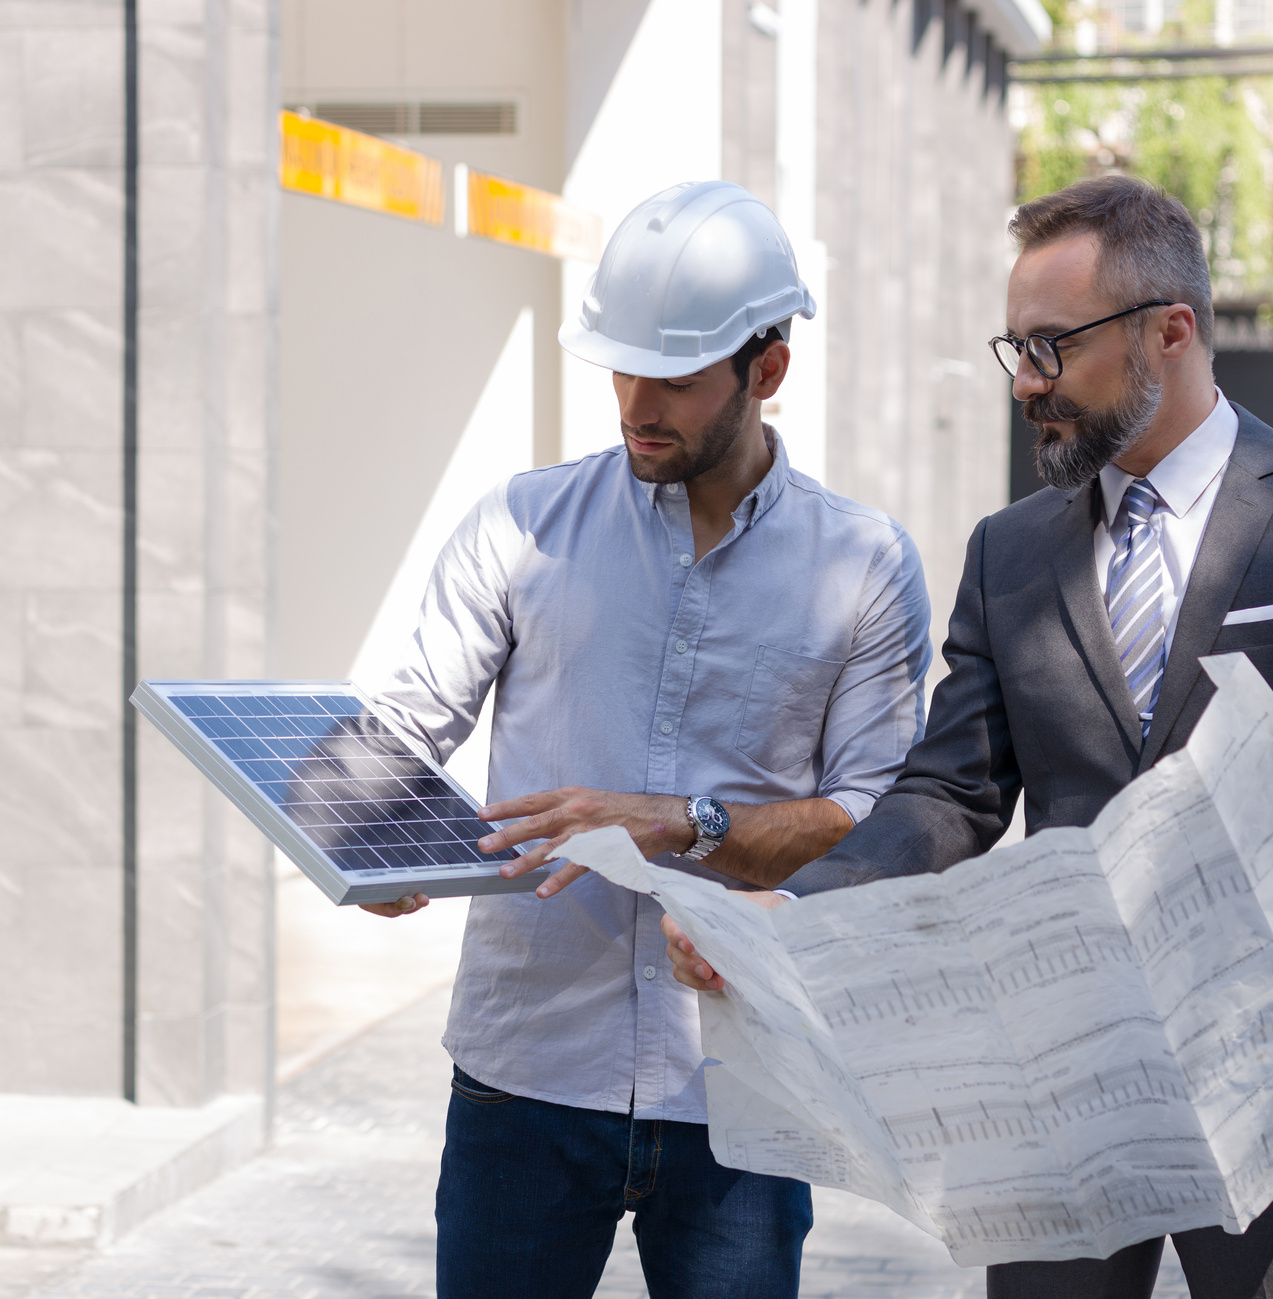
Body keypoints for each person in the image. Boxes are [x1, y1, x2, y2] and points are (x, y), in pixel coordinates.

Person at [663, 175, 1273, 1298]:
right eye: (1013, 347)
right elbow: (946, 798)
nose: (1026, 382)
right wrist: (799, 911)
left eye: (1051, 347)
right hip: (1063, 1086)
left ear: (1173, 329)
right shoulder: (1009, 552)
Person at [359, 180, 934, 1299]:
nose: (635, 402)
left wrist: (682, 824)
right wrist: (359, 843)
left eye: (673, 377)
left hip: (742, 1089)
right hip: (524, 1071)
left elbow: (875, 825)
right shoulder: (520, 528)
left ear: (767, 370)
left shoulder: (863, 568)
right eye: (620, 367)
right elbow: (400, 734)